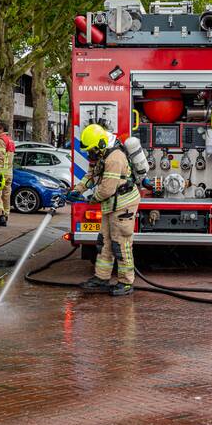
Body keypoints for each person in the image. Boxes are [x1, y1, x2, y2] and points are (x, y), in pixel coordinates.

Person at [67, 123, 141, 297]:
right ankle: (101, 277)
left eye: (91, 150)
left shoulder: (115, 158)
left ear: (100, 144)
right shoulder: (101, 154)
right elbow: (91, 176)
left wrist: (88, 199)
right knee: (105, 241)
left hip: (123, 205)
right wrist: (77, 190)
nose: (89, 154)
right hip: (111, 204)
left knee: (121, 243)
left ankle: (126, 282)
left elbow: (107, 189)